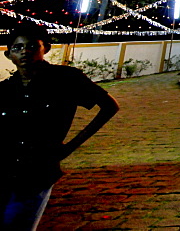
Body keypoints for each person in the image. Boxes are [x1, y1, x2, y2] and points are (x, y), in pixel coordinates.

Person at [2, 23, 120, 230]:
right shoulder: (6, 88)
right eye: (17, 48)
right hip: (6, 167)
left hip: (38, 169)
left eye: (31, 46)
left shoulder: (66, 79)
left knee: (18, 223)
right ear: (8, 54)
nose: (24, 52)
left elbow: (109, 106)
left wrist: (71, 146)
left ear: (45, 48)